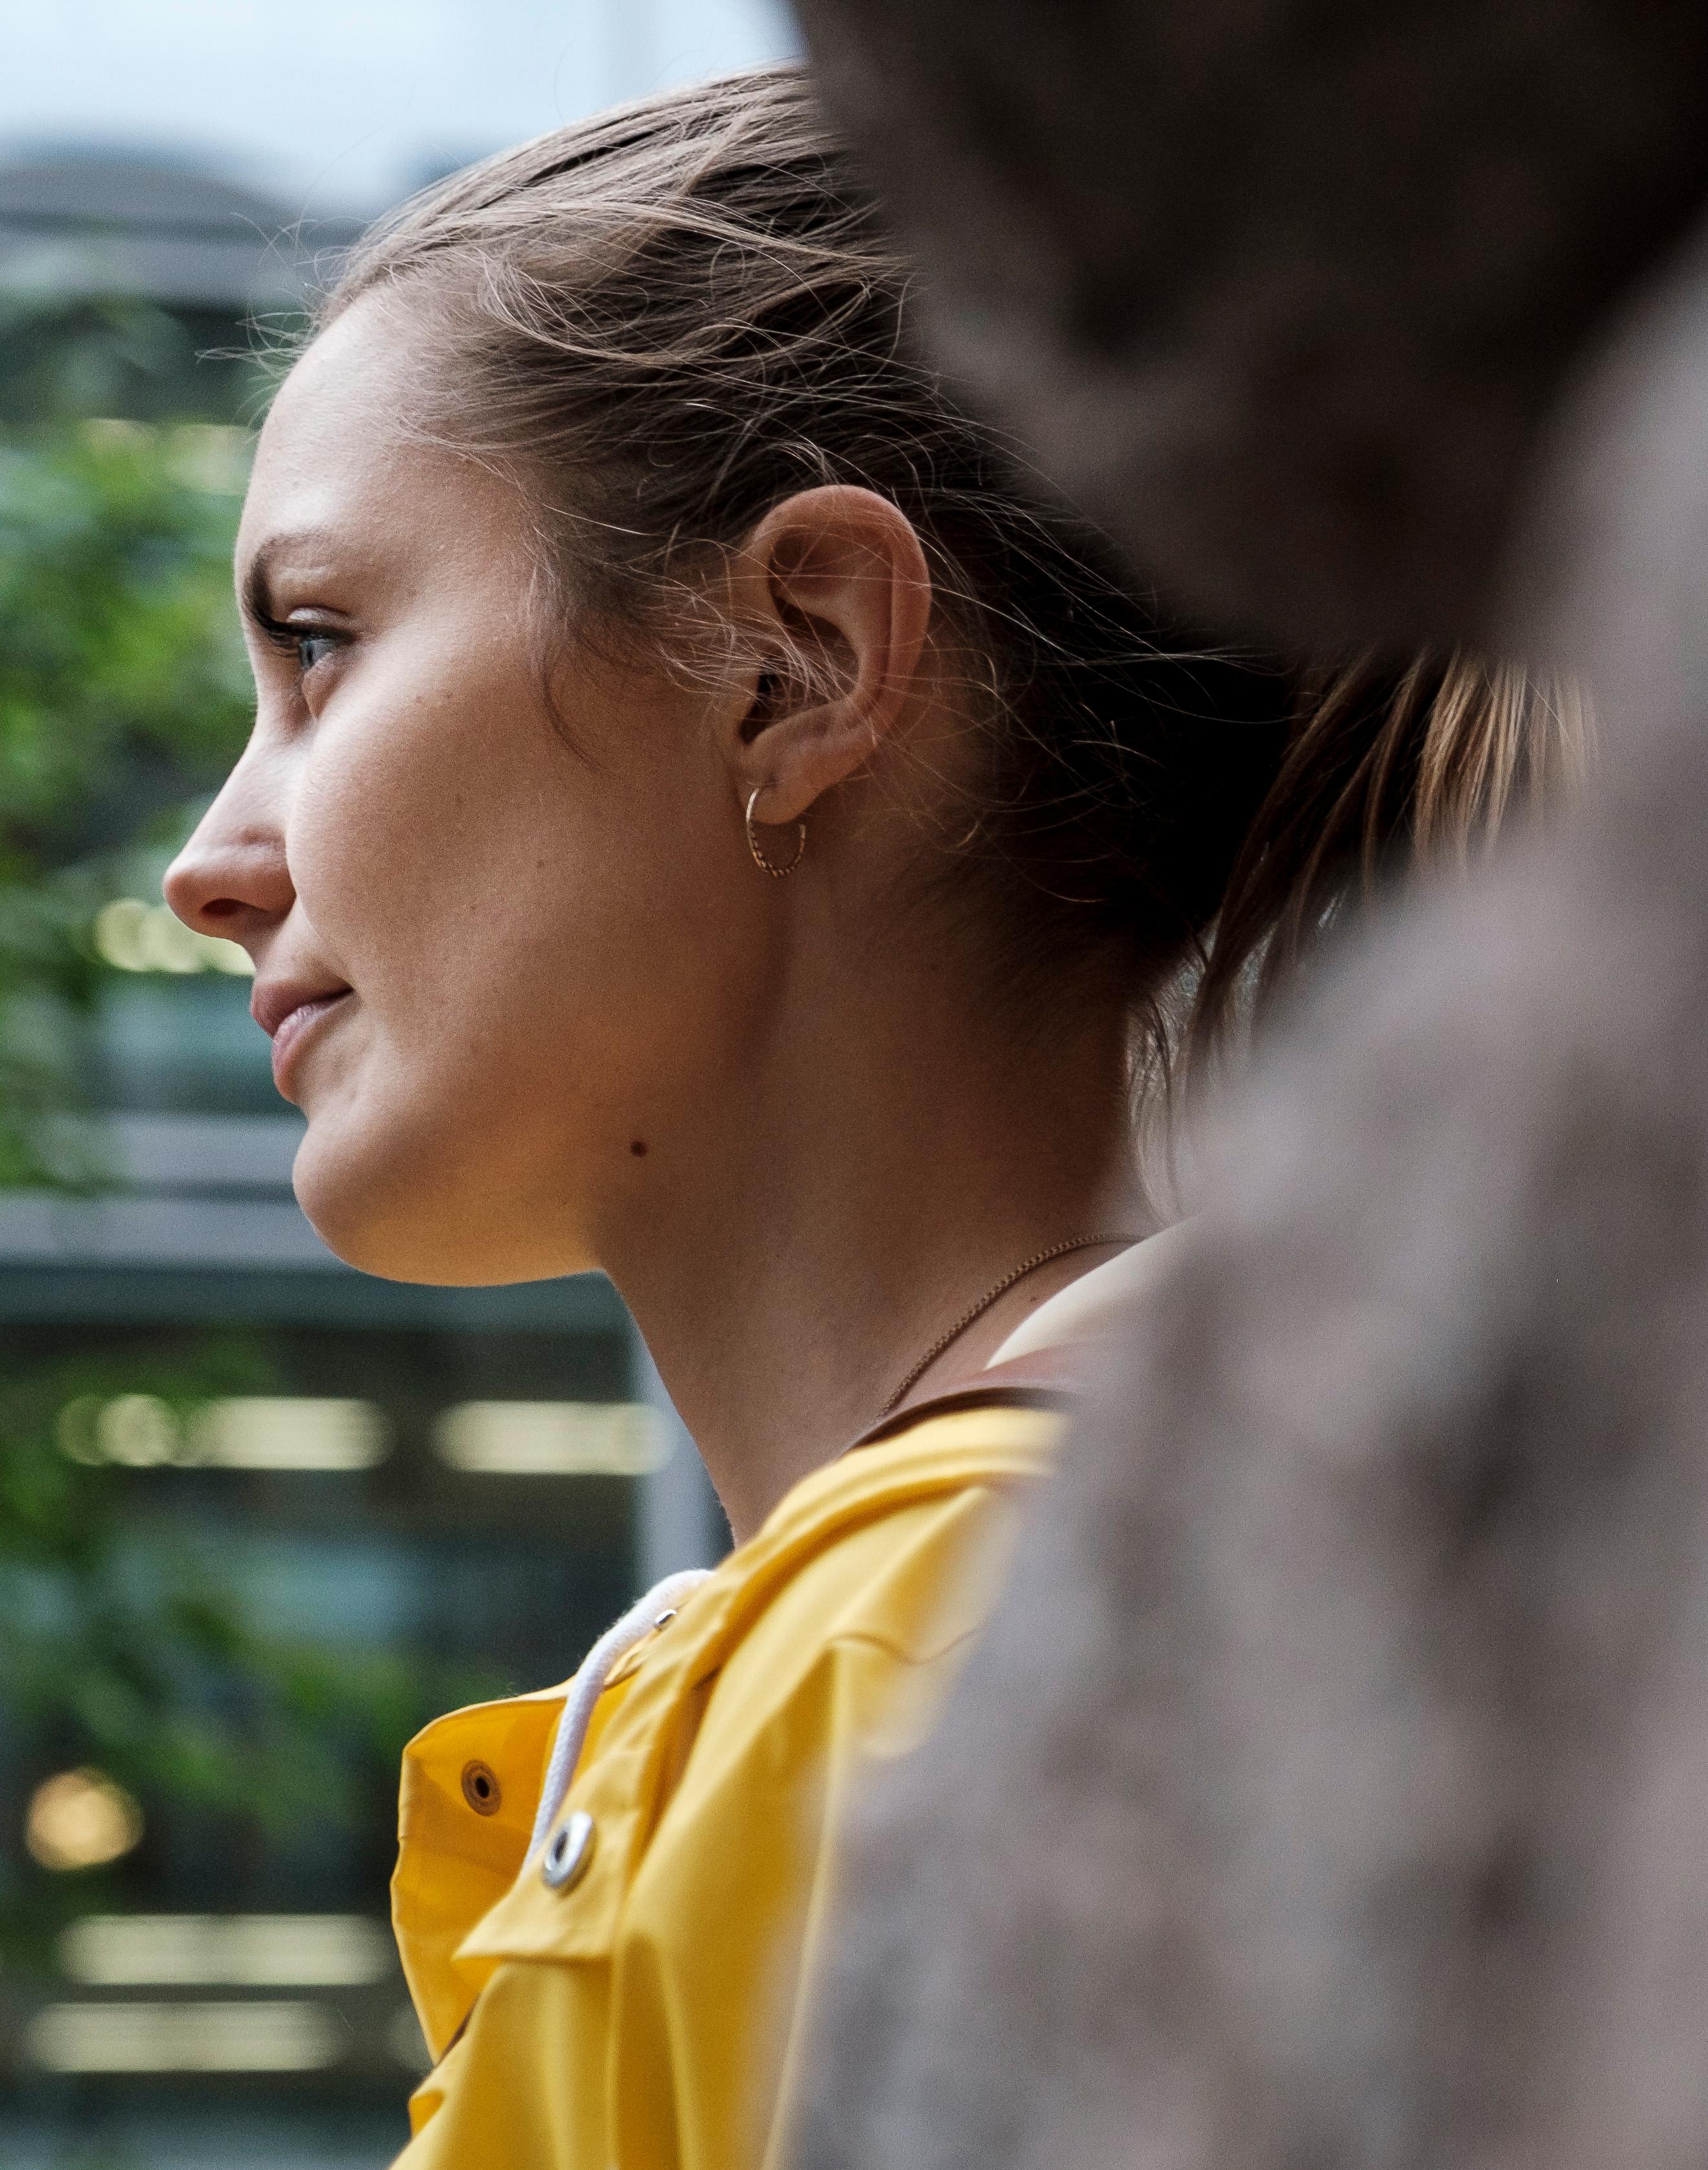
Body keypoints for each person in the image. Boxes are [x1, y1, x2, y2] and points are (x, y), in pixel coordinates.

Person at [161, 62, 1578, 2170]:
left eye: (321, 644)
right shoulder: (1091, 1576)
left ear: (801, 656)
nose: (213, 858)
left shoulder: (905, 1668)